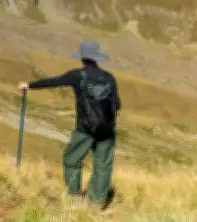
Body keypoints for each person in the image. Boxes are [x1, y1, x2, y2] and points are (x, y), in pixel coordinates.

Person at [19, 40, 121, 210]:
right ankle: (96, 202)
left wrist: (29, 85)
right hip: (107, 130)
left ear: (82, 59)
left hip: (86, 129)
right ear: (96, 59)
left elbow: (54, 81)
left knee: (72, 159)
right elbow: (117, 104)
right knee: (103, 165)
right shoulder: (109, 78)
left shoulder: (77, 76)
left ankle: (74, 198)